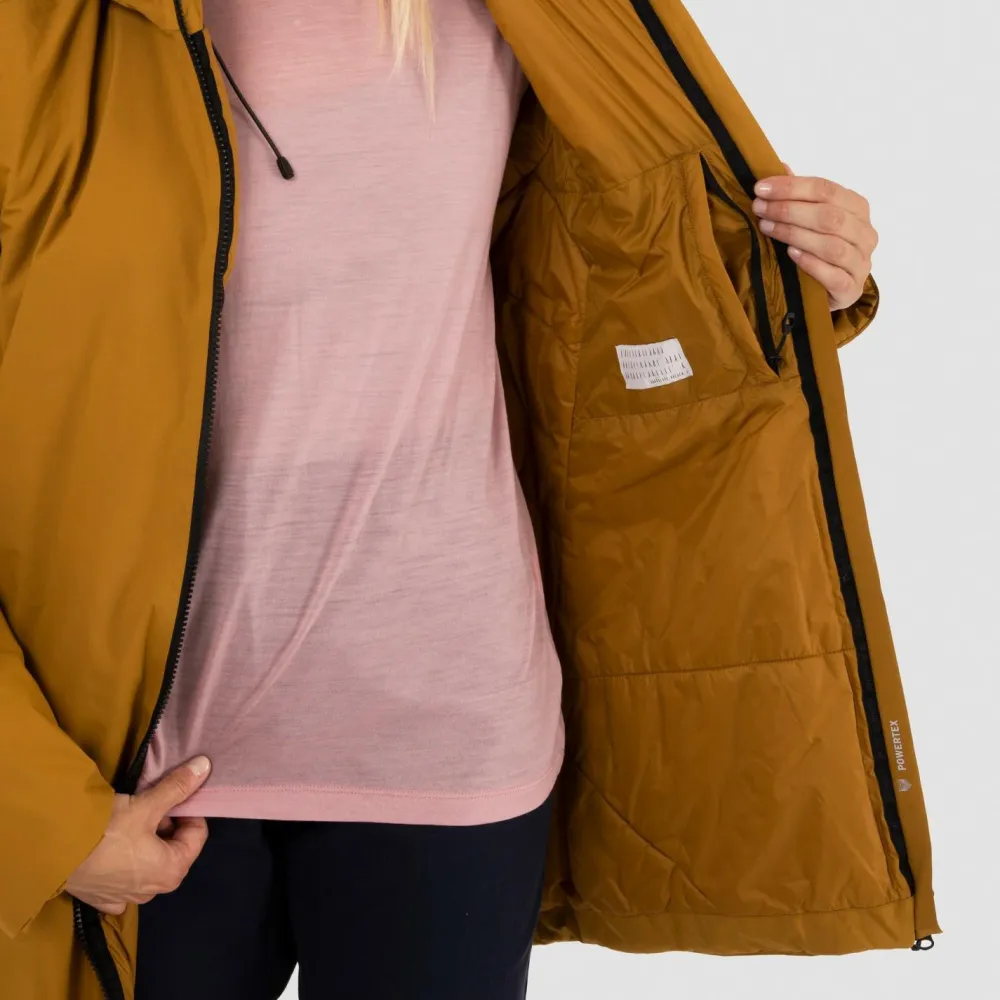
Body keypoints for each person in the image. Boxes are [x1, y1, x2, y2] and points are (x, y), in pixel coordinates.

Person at [0, 1, 939, 998]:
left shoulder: (529, 12)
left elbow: (625, 259)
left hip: (451, 733)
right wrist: (42, 816)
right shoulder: (48, 30)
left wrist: (800, 273)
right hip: (121, 776)